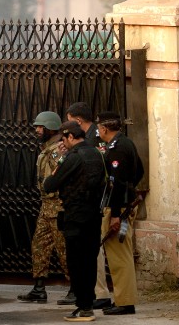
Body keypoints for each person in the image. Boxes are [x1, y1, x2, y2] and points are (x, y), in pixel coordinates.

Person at [43, 121, 106, 322]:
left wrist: (60, 159)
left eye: (64, 139)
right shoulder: (97, 153)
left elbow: (50, 184)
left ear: (70, 137)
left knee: (77, 262)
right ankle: (87, 303)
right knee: (89, 260)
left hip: (76, 216)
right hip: (94, 215)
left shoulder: (73, 157)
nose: (63, 143)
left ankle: (83, 306)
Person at [18, 111, 72, 305]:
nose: (37, 130)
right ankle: (39, 288)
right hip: (46, 207)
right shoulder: (47, 148)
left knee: (64, 249)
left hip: (58, 206)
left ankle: (75, 288)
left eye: (41, 127)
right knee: (39, 246)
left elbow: (63, 176)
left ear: (50, 128)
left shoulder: (59, 149)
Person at [96, 111, 144, 316]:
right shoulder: (127, 143)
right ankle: (125, 300)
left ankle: (125, 303)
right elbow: (139, 170)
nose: (98, 131)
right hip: (126, 207)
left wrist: (115, 214)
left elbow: (115, 184)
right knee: (122, 251)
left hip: (119, 210)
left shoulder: (117, 148)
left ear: (104, 128)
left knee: (118, 255)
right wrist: (131, 189)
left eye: (99, 127)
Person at [66, 102, 112, 309]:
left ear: (77, 120)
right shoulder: (92, 136)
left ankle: (100, 293)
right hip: (91, 203)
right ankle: (91, 293)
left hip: (94, 202)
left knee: (94, 250)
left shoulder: (94, 139)